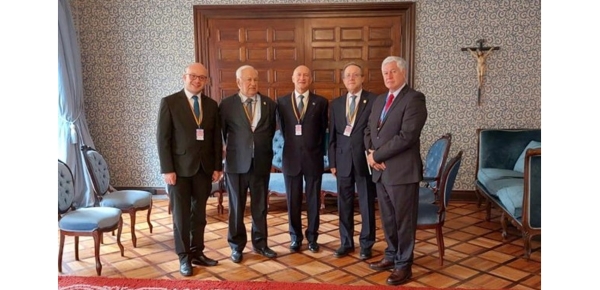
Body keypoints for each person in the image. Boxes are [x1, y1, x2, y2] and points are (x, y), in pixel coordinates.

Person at [364, 56, 427, 285]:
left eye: (392, 72)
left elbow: (407, 136)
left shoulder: (414, 99)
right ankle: (391, 256)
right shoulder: (380, 100)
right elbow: (368, 130)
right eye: (385, 73)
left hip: (402, 173)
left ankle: (404, 265)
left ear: (403, 73)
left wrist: (377, 155)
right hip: (380, 171)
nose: (388, 76)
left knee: (403, 221)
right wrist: (370, 155)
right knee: (388, 219)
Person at [156, 62, 223, 277]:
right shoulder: (170, 102)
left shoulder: (212, 105)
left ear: (206, 81)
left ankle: (197, 252)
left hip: (204, 169)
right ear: (184, 77)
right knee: (181, 216)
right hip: (178, 171)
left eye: (202, 78)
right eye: (193, 76)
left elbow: (215, 139)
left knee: (199, 215)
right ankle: (184, 257)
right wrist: (167, 169)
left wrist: (217, 166)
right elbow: (163, 139)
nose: (197, 80)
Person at [220, 65, 278, 263]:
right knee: (236, 207)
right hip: (236, 165)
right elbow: (220, 135)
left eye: (255, 79)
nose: (253, 83)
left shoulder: (269, 104)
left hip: (261, 163)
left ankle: (261, 244)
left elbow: (269, 131)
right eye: (248, 80)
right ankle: (236, 246)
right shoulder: (227, 105)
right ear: (238, 82)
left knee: (260, 206)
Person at [276, 65, 328, 253]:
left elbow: (323, 131)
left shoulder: (321, 102)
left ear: (310, 79)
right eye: (299, 75)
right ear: (293, 78)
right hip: (291, 159)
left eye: (306, 75)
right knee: (293, 201)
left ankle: (313, 238)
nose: (302, 78)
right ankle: (295, 237)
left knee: (313, 200)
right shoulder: (281, 102)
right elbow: (283, 129)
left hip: (313, 159)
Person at [328, 62, 377, 260]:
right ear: (343, 80)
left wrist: (375, 155)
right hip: (342, 162)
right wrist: (332, 162)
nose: (351, 78)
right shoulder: (337, 104)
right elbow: (332, 136)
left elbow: (375, 132)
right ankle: (346, 242)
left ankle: (366, 244)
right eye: (347, 75)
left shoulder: (373, 100)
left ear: (362, 78)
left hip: (365, 161)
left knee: (366, 205)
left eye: (355, 75)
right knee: (344, 204)